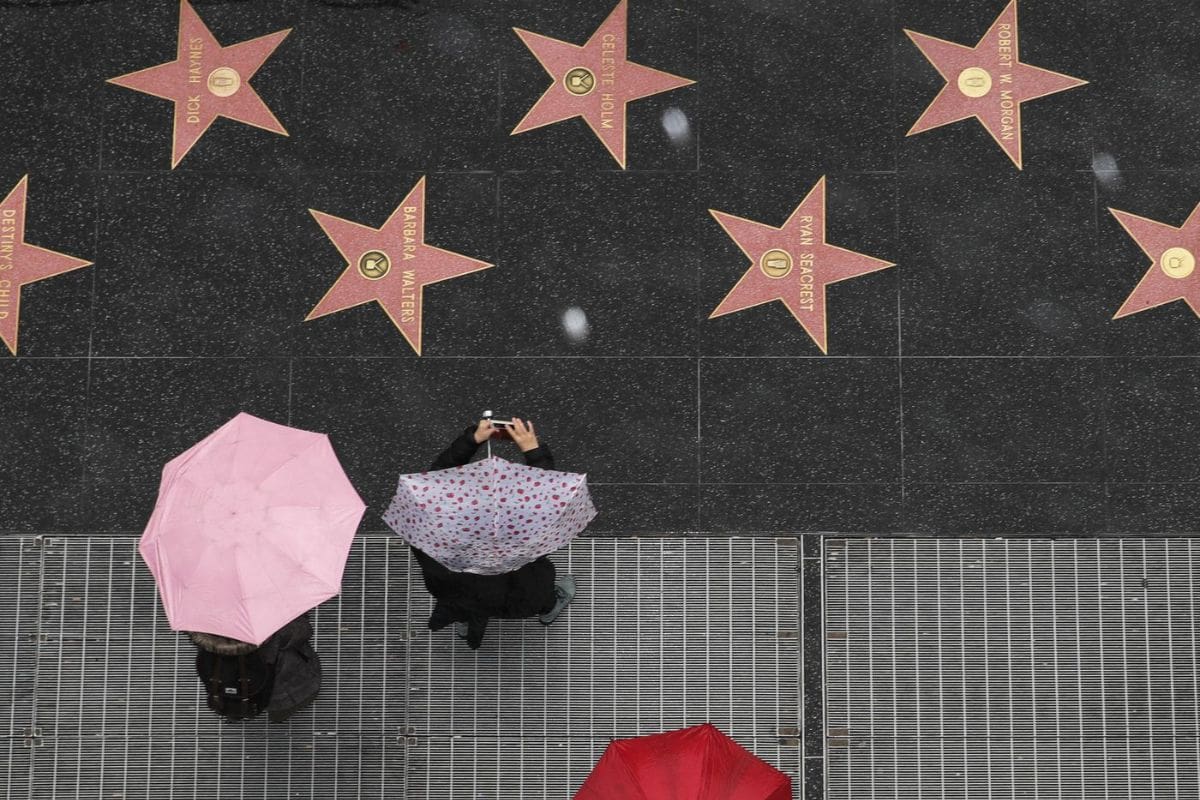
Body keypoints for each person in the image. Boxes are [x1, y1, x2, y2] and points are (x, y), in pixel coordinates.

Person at [411, 417, 577, 650]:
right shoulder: (519, 545)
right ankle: (550, 609)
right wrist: (533, 451)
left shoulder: (432, 534)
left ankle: (467, 622)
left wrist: (472, 440)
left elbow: (436, 479)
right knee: (542, 597)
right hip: (516, 598)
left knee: (473, 604)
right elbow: (548, 500)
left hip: (458, 596)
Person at [190, 612, 321, 723]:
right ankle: (276, 718)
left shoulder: (202, 622)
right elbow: (303, 631)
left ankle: (235, 712)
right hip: (282, 686)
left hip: (224, 680)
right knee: (282, 707)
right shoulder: (275, 625)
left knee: (234, 695)